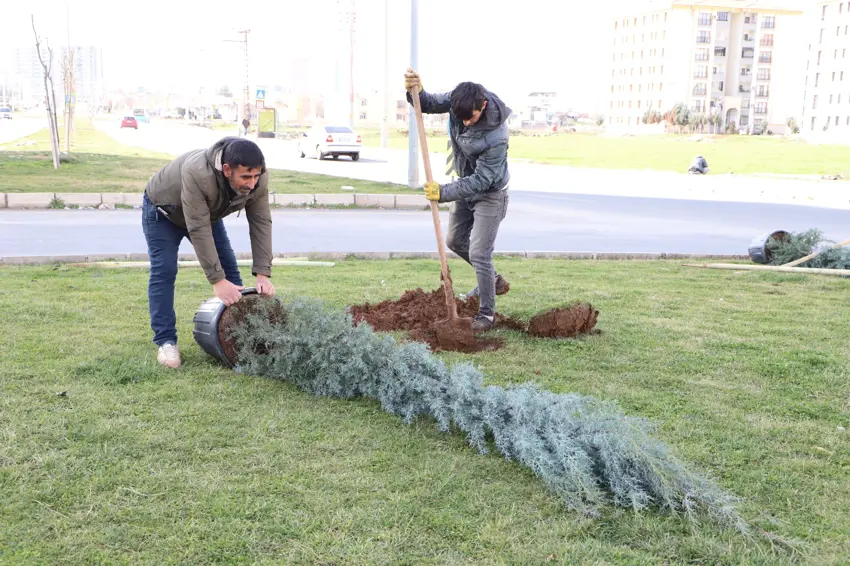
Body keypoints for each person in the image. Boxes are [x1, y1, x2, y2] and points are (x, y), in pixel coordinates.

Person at [142, 137, 275, 368]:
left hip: (206, 214)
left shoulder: (258, 178)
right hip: (164, 212)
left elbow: (261, 221)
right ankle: (166, 341)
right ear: (226, 169)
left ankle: (239, 335)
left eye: (256, 176)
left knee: (232, 274)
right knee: (165, 270)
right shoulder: (197, 172)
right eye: (245, 177)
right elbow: (198, 228)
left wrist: (262, 273)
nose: (252, 184)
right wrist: (216, 280)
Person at [404, 68, 511, 333]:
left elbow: (483, 180)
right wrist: (414, 90)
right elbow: (427, 104)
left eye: (471, 118)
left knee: (479, 252)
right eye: (460, 118)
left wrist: (443, 192)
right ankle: (493, 280)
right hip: (465, 184)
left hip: (490, 192)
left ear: (483, 105)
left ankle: (486, 315)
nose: (465, 123)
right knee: (454, 240)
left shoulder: (497, 135)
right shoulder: (458, 100)